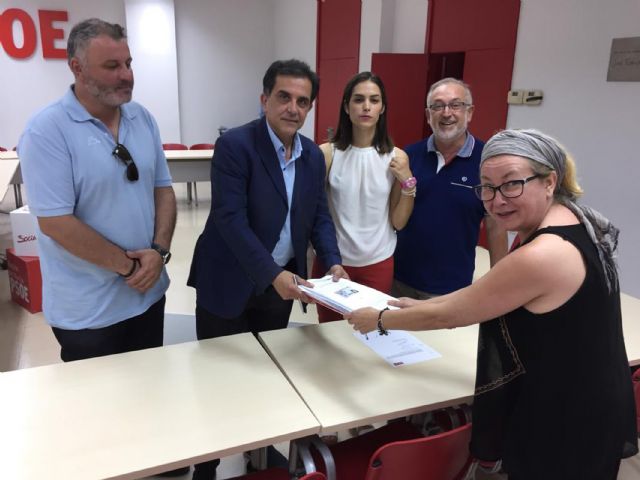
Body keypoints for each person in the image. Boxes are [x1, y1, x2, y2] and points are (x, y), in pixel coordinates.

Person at [347, 129, 638, 480]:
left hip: (568, 414)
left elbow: (451, 315)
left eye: (511, 184)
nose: (497, 200)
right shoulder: (572, 219)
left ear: (549, 181)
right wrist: (415, 306)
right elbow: (484, 294)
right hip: (592, 394)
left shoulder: (542, 255)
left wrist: (379, 320)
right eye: (487, 187)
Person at [18, 17, 181, 477]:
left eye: (128, 63)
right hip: (88, 311)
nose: (127, 75)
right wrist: (129, 267)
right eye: (112, 66)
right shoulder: (47, 130)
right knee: (99, 420)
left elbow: (163, 189)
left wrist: (158, 251)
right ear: (76, 67)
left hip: (147, 296)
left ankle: (158, 464)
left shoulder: (142, 118)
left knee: (147, 394)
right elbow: (56, 223)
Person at [187, 59, 347, 479]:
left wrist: (332, 261)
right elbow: (229, 218)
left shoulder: (312, 156)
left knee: (264, 375)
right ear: (264, 100)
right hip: (229, 280)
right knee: (217, 377)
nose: (293, 108)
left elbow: (319, 215)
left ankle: (257, 450)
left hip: (279, 285)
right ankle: (207, 463)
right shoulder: (235, 146)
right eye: (284, 97)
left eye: (302, 101)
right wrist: (272, 274)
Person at [312, 71, 414, 323]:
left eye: (374, 100)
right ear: (347, 107)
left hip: (377, 261)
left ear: (382, 108)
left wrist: (408, 182)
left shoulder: (397, 157)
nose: (366, 106)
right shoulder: (327, 154)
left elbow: (398, 222)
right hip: (333, 262)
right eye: (358, 99)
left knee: (370, 332)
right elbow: (315, 214)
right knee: (330, 331)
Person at [393, 77, 506, 300]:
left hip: (451, 290)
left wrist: (500, 284)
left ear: (469, 112)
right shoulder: (409, 156)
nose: (446, 113)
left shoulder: (487, 162)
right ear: (428, 115)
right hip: (398, 280)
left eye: (456, 105)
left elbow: (496, 227)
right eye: (438, 106)